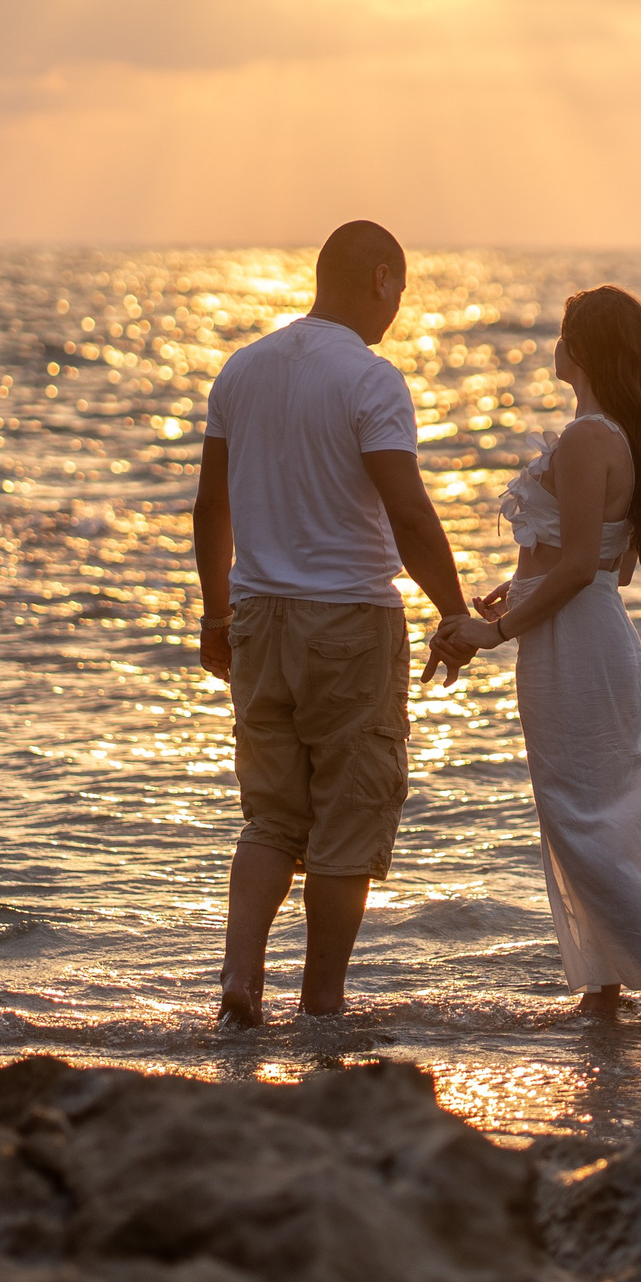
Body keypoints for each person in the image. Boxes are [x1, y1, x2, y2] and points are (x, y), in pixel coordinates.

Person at [192, 220, 469, 1027]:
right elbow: (410, 514)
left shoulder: (242, 369)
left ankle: (240, 981)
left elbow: (212, 506)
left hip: (258, 617)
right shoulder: (371, 380)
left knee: (271, 817)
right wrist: (452, 609)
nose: (397, 311)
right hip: (349, 620)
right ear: (382, 278)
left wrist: (217, 614)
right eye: (400, 292)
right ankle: (322, 1001)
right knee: (351, 811)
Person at [438, 285, 641, 1034]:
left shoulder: (591, 437)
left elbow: (576, 573)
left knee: (587, 818)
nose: (554, 346)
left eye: (564, 334)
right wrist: (516, 586)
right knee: (591, 815)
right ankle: (602, 986)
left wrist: (494, 634)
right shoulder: (617, 434)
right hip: (587, 633)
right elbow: (602, 565)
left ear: (584, 349)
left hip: (577, 644)